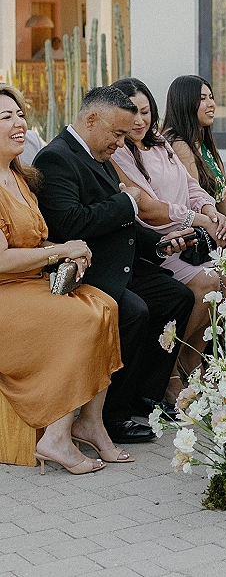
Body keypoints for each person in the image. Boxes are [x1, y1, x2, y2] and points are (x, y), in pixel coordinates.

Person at [34, 86, 195, 444]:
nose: (121, 143)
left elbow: (126, 221)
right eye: (118, 133)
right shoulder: (56, 158)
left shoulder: (97, 153)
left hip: (119, 266)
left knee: (177, 297)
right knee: (135, 312)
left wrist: (159, 243)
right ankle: (110, 416)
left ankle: (142, 394)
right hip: (85, 273)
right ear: (91, 119)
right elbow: (69, 224)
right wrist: (127, 202)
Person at [0, 84, 128, 474]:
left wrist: (71, 248)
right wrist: (61, 250)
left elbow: (35, 239)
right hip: (6, 290)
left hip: (29, 283)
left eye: (20, 114)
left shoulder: (19, 177)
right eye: (6, 117)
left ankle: (89, 422)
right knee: (79, 319)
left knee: (105, 305)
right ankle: (56, 436)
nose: (19, 122)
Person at [109, 77, 226, 392]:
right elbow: (146, 206)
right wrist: (195, 218)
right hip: (158, 244)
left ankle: (193, 358)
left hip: (188, 235)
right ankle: (172, 367)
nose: (139, 120)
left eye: (145, 111)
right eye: (131, 112)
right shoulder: (119, 153)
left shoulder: (160, 142)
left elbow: (190, 185)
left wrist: (208, 208)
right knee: (208, 283)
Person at [162, 75, 226, 224]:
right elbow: (194, 202)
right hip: (199, 230)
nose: (211, 104)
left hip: (216, 224)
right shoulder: (178, 145)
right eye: (202, 99)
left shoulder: (202, 144)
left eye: (211, 97)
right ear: (184, 103)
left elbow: (224, 201)